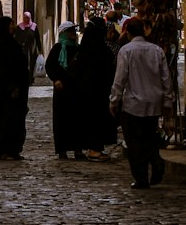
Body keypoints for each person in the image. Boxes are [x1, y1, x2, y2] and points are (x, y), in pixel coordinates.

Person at [109, 17, 174, 188]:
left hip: (133, 105)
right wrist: (167, 103)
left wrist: (114, 100)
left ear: (128, 33)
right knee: (150, 138)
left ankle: (141, 178)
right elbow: (166, 79)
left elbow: (120, 78)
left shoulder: (126, 50)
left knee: (135, 143)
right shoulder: (157, 51)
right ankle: (156, 162)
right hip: (153, 103)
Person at [0, 14, 32, 160]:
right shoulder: (2, 44)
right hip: (5, 92)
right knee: (3, 120)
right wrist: (11, 87)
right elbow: (1, 69)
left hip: (15, 90)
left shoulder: (11, 42)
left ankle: (12, 150)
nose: (13, 26)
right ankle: (1, 150)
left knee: (14, 120)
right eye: (11, 24)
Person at [70, 15, 117, 159]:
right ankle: (94, 149)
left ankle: (85, 148)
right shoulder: (100, 50)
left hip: (83, 91)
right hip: (97, 92)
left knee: (86, 119)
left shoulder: (83, 49)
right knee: (96, 120)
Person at [45, 20, 81, 159]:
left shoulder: (78, 49)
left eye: (74, 31)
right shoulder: (58, 48)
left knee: (77, 120)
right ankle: (62, 150)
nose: (73, 33)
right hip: (62, 90)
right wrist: (56, 79)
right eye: (70, 31)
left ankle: (78, 149)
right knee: (62, 120)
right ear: (64, 33)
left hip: (75, 89)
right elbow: (50, 66)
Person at [14, 10, 42, 78]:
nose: (26, 19)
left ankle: (31, 78)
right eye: (25, 18)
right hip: (23, 47)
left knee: (32, 62)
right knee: (24, 63)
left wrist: (39, 48)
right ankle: (24, 77)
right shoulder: (19, 27)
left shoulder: (34, 26)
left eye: (28, 18)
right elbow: (16, 38)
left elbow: (37, 38)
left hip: (32, 47)